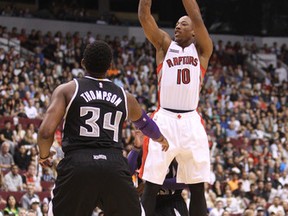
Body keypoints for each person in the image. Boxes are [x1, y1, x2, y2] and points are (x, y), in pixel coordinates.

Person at [37, 40, 169, 216]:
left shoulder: (67, 90)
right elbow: (146, 124)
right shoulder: (124, 96)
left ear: (83, 63)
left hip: (78, 164)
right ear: (110, 66)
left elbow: (46, 133)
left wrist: (44, 155)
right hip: (113, 165)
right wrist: (161, 139)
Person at [138, 0, 213, 215]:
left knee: (197, 187)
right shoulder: (164, 45)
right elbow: (145, 17)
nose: (177, 26)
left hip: (191, 121)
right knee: (151, 184)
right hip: (165, 120)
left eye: (183, 24)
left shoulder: (202, 51)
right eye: (177, 24)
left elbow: (196, 16)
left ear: (195, 32)